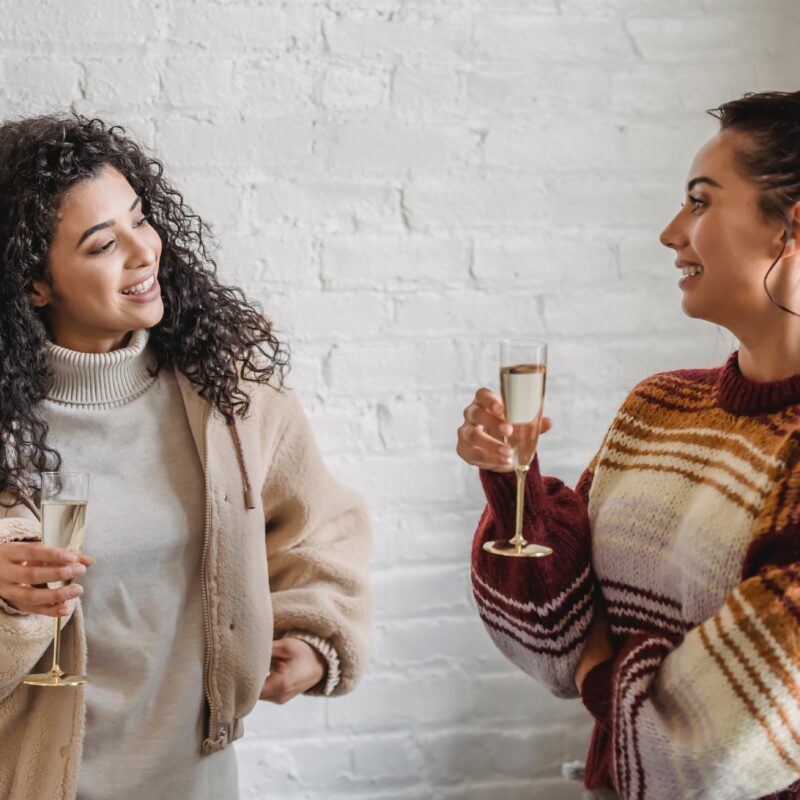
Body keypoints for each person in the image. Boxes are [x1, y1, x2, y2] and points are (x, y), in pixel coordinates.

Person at [0, 113, 372, 800]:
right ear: (33, 284)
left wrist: (315, 637)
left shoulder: (228, 393)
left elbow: (319, 527)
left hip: (195, 783)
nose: (144, 252)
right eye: (103, 244)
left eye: (140, 219)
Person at [457, 90, 800, 800]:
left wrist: (598, 660)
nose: (671, 233)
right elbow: (546, 640)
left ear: (790, 229)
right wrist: (517, 484)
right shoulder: (658, 407)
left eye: (700, 202)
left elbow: (707, 752)